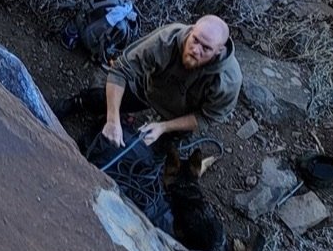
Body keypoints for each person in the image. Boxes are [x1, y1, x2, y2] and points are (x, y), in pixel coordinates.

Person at [53, 15, 242, 150]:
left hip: (180, 112)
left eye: (206, 48)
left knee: (150, 156)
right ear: (191, 30)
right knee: (99, 99)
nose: (195, 50)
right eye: (195, 40)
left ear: (218, 51)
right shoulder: (167, 39)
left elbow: (207, 117)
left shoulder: (227, 81)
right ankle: (76, 104)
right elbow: (121, 69)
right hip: (149, 88)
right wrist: (112, 119)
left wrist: (163, 127)